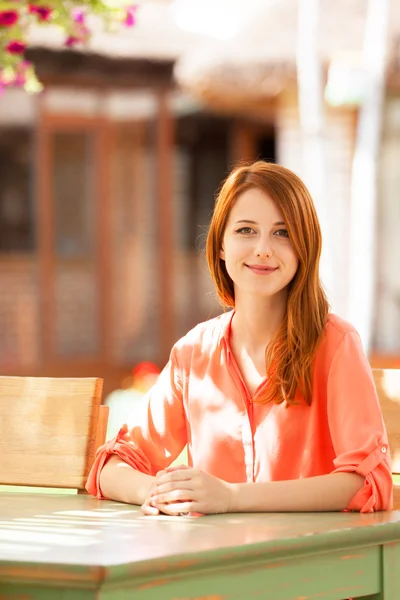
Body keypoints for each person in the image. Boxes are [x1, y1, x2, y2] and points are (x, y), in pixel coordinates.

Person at [86, 161, 392, 515]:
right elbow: (113, 465)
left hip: (311, 560)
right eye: (246, 230)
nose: (263, 248)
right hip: (216, 561)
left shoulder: (337, 345)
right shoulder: (193, 355)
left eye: (283, 233)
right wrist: (158, 492)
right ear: (220, 246)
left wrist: (231, 497)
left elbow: (368, 483)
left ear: (304, 248)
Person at [104, 362, 161, 439]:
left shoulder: (154, 400)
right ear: (137, 379)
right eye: (148, 379)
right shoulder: (118, 397)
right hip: (120, 442)